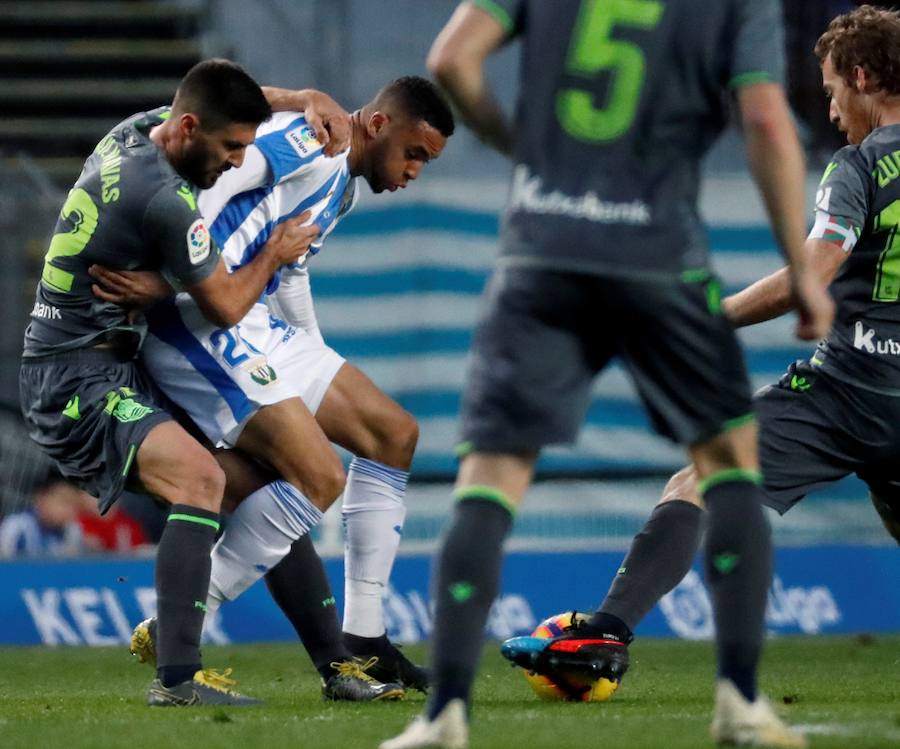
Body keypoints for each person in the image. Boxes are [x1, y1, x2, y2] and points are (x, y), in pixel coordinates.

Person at [381, 1, 834, 748]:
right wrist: (805, 273)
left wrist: (525, 151)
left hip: (542, 250)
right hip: (661, 253)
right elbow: (763, 120)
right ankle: (741, 704)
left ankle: (444, 715)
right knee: (728, 469)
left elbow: (451, 59)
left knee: (491, 478)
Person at [567, 0, 900, 712]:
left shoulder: (860, 164)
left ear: (865, 77)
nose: (831, 105)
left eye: (835, 86)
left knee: (700, 478)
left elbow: (813, 271)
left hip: (849, 388)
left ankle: (604, 636)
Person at [89, 75, 455, 695]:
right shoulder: (311, 141)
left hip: (256, 321)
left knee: (394, 435)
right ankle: (184, 614)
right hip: (200, 322)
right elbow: (219, 179)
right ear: (377, 124)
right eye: (414, 153)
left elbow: (291, 273)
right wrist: (172, 279)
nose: (415, 170)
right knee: (318, 478)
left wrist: (313, 356)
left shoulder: (343, 192)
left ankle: (365, 638)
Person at [19, 58, 348, 706]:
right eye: (230, 148)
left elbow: (218, 91)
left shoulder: (137, 130)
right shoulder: (164, 198)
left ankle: (339, 665)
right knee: (201, 480)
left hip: (115, 361)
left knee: (271, 487)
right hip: (74, 374)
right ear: (191, 128)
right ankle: (177, 678)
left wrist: (300, 94)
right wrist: (274, 254)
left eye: (246, 147)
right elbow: (225, 302)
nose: (235, 162)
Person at [0, 472, 85, 558]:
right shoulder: (17, 527)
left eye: (74, 505)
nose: (69, 510)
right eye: (64, 502)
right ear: (42, 497)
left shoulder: (73, 531)